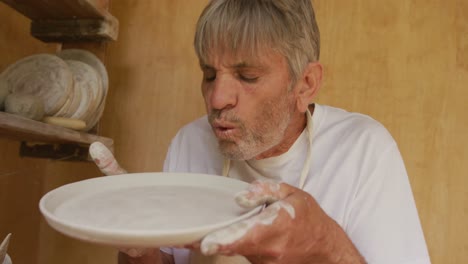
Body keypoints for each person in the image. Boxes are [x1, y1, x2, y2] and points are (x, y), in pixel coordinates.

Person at [90, 0, 431, 263]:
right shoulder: (190, 142)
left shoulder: (362, 150)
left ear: (305, 85)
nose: (217, 98)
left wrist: (326, 244)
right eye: (209, 74)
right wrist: (139, 247)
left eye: (247, 76)